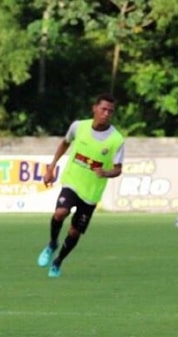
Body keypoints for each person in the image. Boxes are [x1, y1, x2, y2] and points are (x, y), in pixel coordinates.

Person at [36, 93, 125, 278]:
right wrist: (51, 168)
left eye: (111, 111)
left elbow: (118, 169)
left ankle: (58, 261)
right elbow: (64, 144)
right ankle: (52, 243)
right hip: (72, 182)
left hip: (91, 193)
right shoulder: (79, 127)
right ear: (94, 108)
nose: (107, 113)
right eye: (104, 109)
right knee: (60, 213)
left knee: (75, 232)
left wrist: (106, 172)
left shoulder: (116, 140)